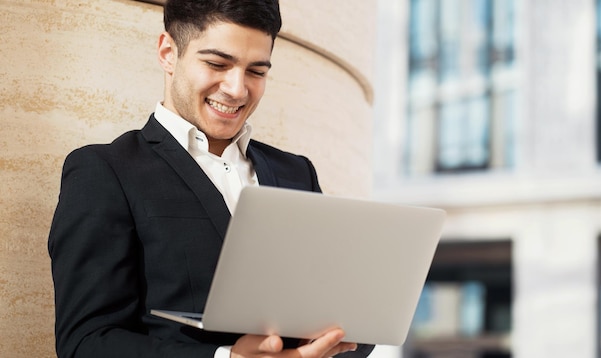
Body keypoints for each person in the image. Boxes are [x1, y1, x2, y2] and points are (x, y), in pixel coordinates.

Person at [47, 0, 375, 357]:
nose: (237, 89)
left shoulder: (296, 173)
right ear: (168, 53)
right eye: (217, 64)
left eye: (257, 71)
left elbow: (344, 322)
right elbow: (85, 344)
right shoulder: (106, 171)